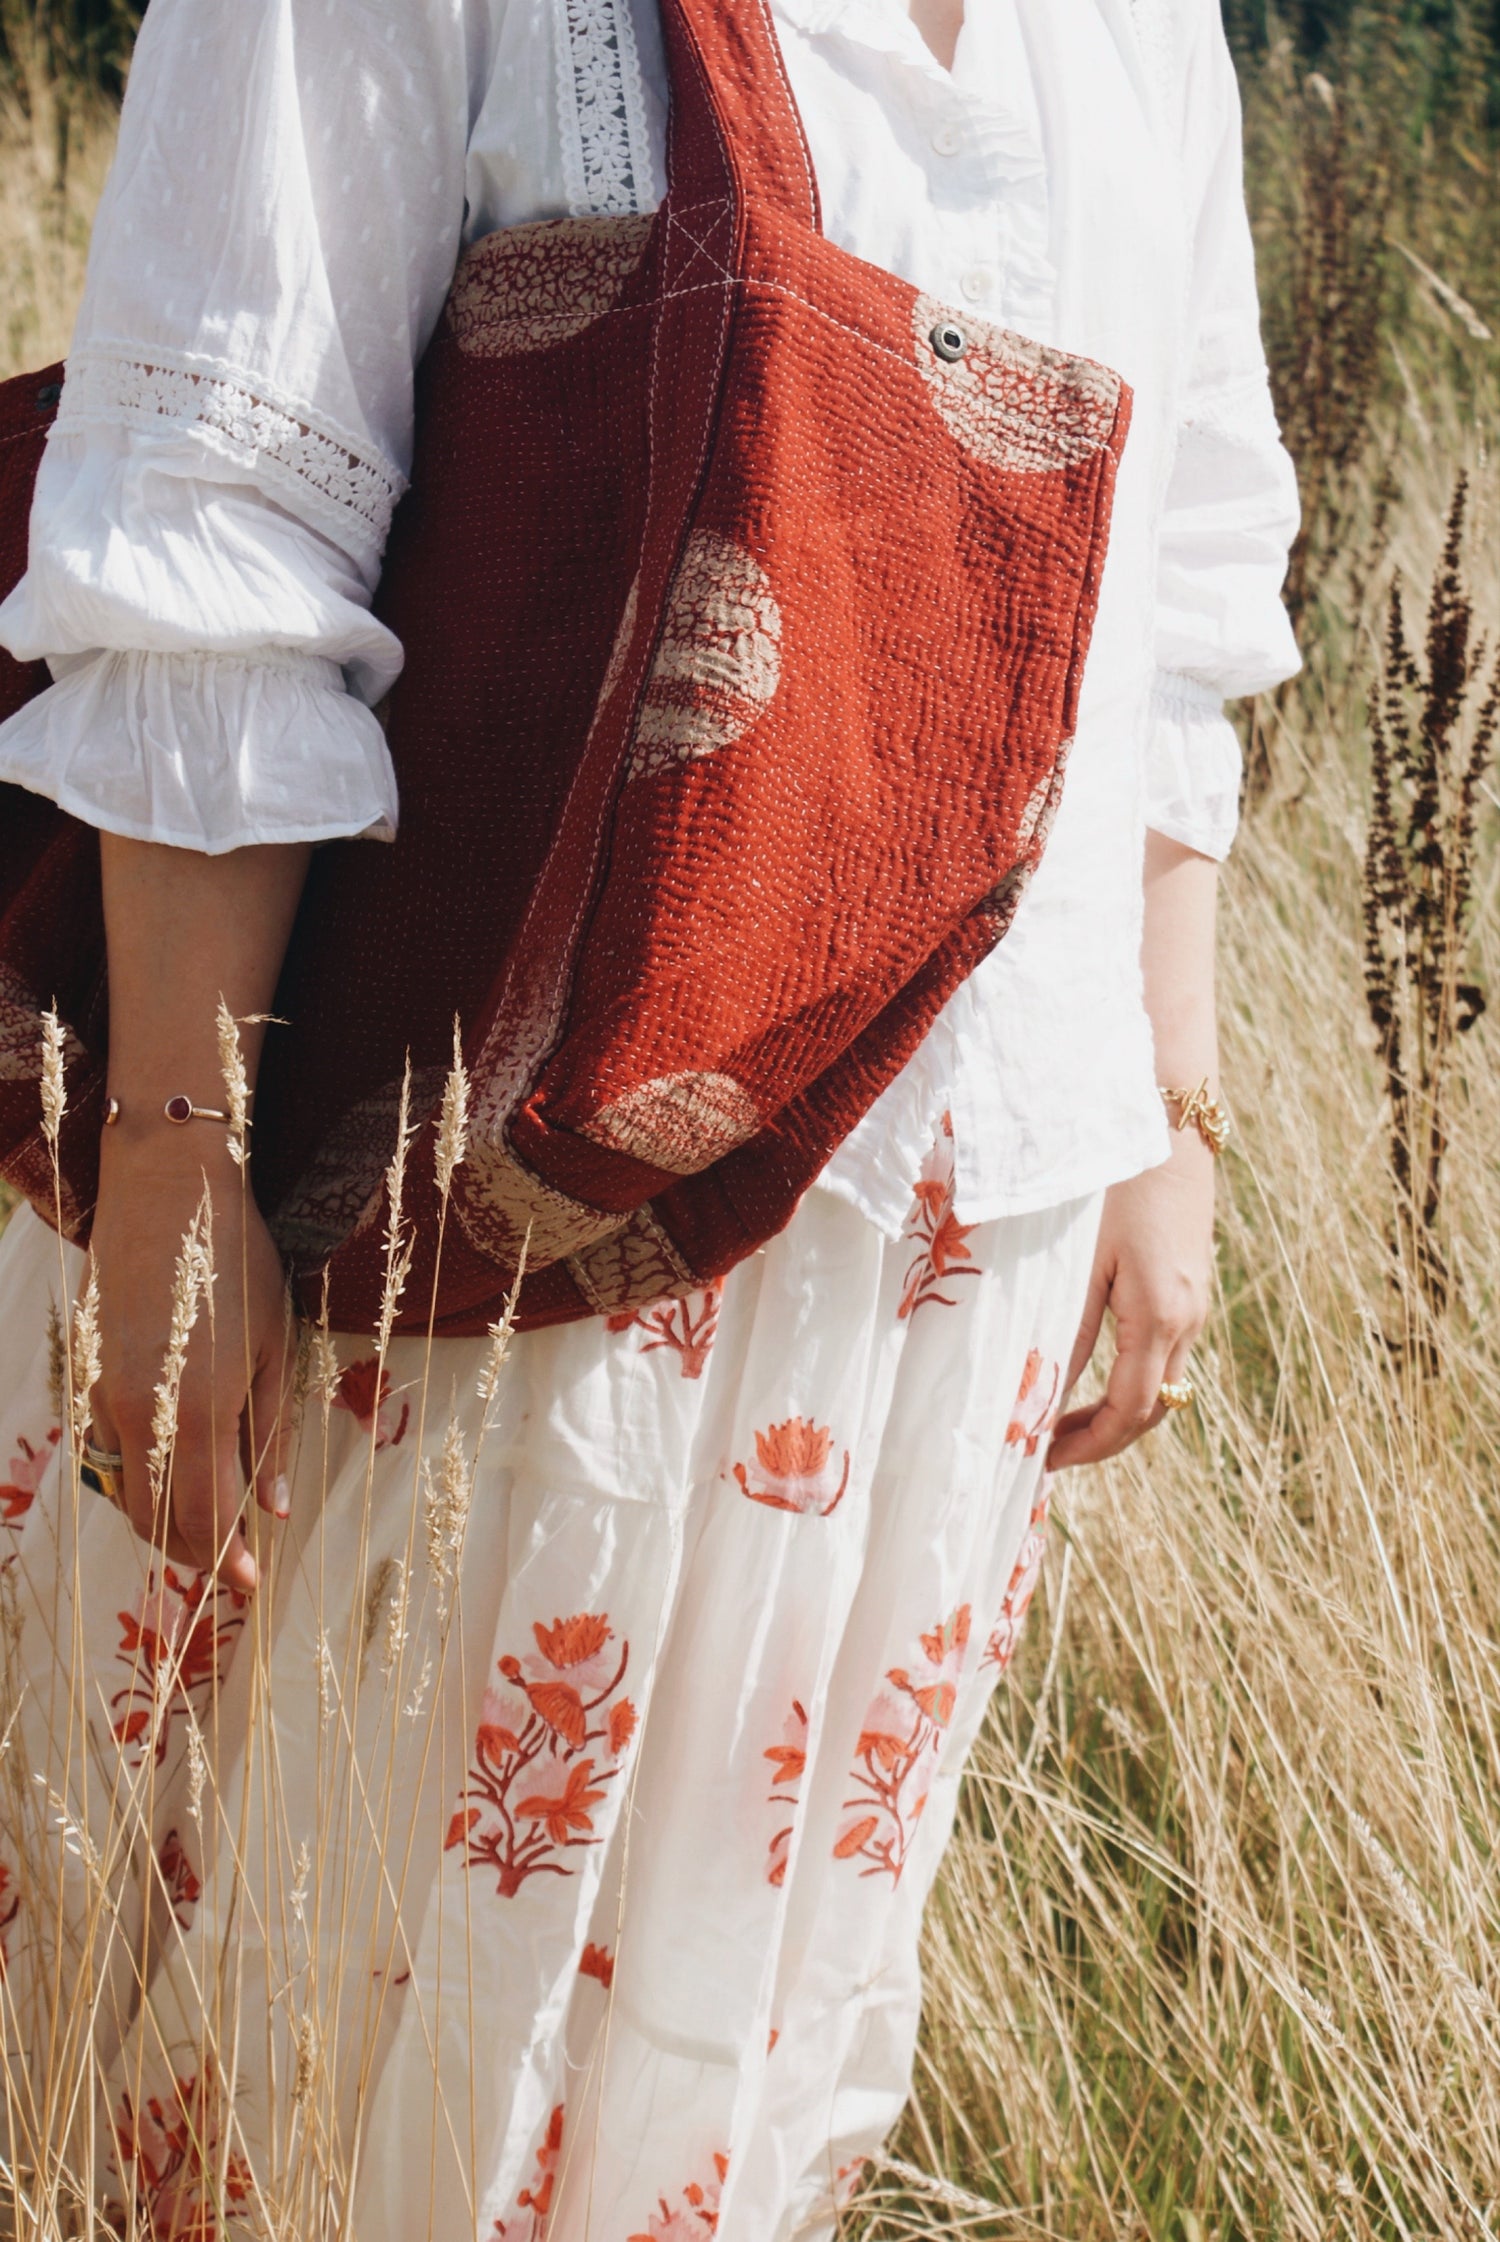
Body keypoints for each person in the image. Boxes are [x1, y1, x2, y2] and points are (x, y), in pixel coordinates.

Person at [0, 0, 1300, 2232]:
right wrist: (169, 1156)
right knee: (300, 2040)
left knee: (725, 2053)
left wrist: (1169, 1101)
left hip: (950, 1251)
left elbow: (1178, 584)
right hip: (487, 1253)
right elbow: (217, 522)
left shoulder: (1140, 25)